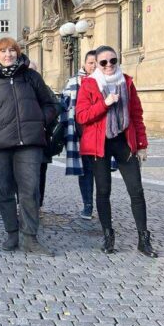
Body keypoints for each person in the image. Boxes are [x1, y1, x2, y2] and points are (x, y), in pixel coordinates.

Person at [0, 37, 58, 255]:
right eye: (3, 51)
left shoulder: (31, 77)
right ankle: (12, 233)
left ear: (18, 53)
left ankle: (30, 238)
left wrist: (40, 121)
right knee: (5, 190)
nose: (8, 54)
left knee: (30, 190)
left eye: (12, 50)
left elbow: (51, 104)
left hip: (29, 143)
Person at [75, 45, 157, 257]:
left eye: (113, 61)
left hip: (124, 142)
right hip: (99, 145)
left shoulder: (127, 82)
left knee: (136, 190)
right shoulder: (89, 84)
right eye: (103, 62)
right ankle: (108, 236)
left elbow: (137, 115)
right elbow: (82, 116)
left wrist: (142, 145)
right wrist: (105, 103)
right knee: (103, 191)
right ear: (98, 65)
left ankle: (143, 239)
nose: (109, 65)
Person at [62, 50, 97, 219]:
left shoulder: (106, 81)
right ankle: (88, 205)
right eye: (91, 62)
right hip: (81, 135)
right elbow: (65, 106)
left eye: (97, 62)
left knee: (101, 173)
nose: (94, 65)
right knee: (86, 171)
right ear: (84, 64)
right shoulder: (74, 82)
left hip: (100, 135)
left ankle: (103, 205)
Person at [28, 60, 64, 209]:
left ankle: (38, 201)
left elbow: (56, 107)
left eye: (32, 70)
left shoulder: (44, 88)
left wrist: (42, 119)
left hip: (41, 135)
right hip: (21, 138)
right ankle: (23, 201)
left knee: (40, 171)